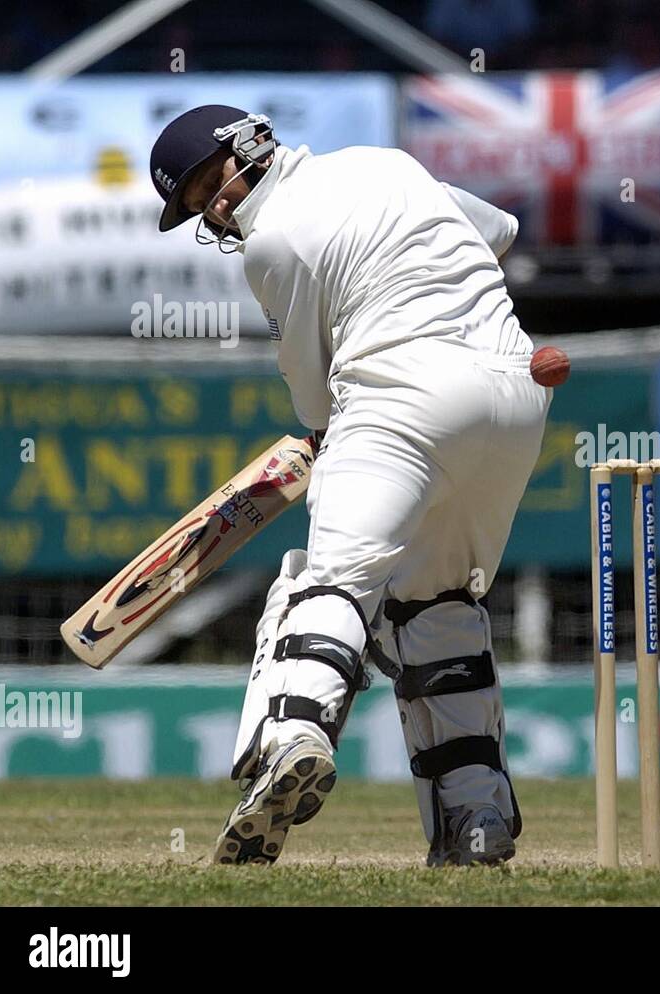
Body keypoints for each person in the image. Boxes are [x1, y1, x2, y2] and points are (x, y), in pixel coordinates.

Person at [149, 105, 550, 866]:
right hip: (517, 392)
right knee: (433, 602)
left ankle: (293, 736)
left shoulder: (271, 245)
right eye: (201, 202)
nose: (218, 206)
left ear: (251, 144)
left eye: (213, 182)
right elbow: (498, 231)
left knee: (328, 580)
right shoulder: (386, 161)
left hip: (403, 392)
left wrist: (324, 438)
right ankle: (475, 815)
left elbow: (314, 399)